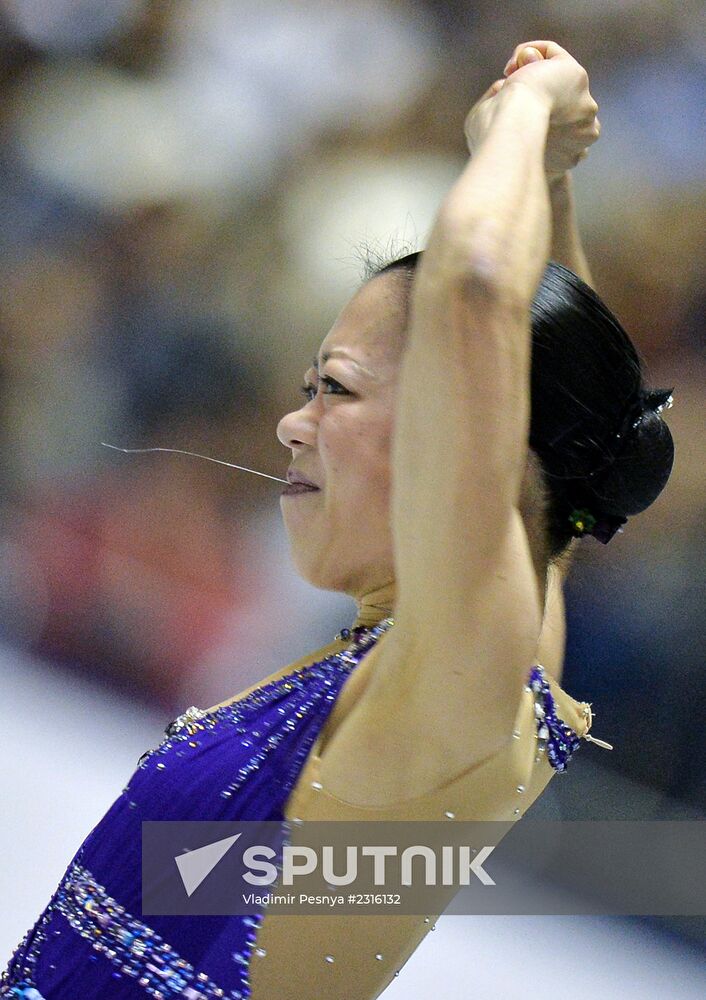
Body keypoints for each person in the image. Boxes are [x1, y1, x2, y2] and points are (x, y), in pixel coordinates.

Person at [1, 40, 674, 1000]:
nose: (291, 421)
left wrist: (524, 120)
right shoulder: (492, 636)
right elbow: (565, 416)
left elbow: (480, 288)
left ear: (453, 433)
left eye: (338, 390)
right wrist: (557, 189)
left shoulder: (452, 673)